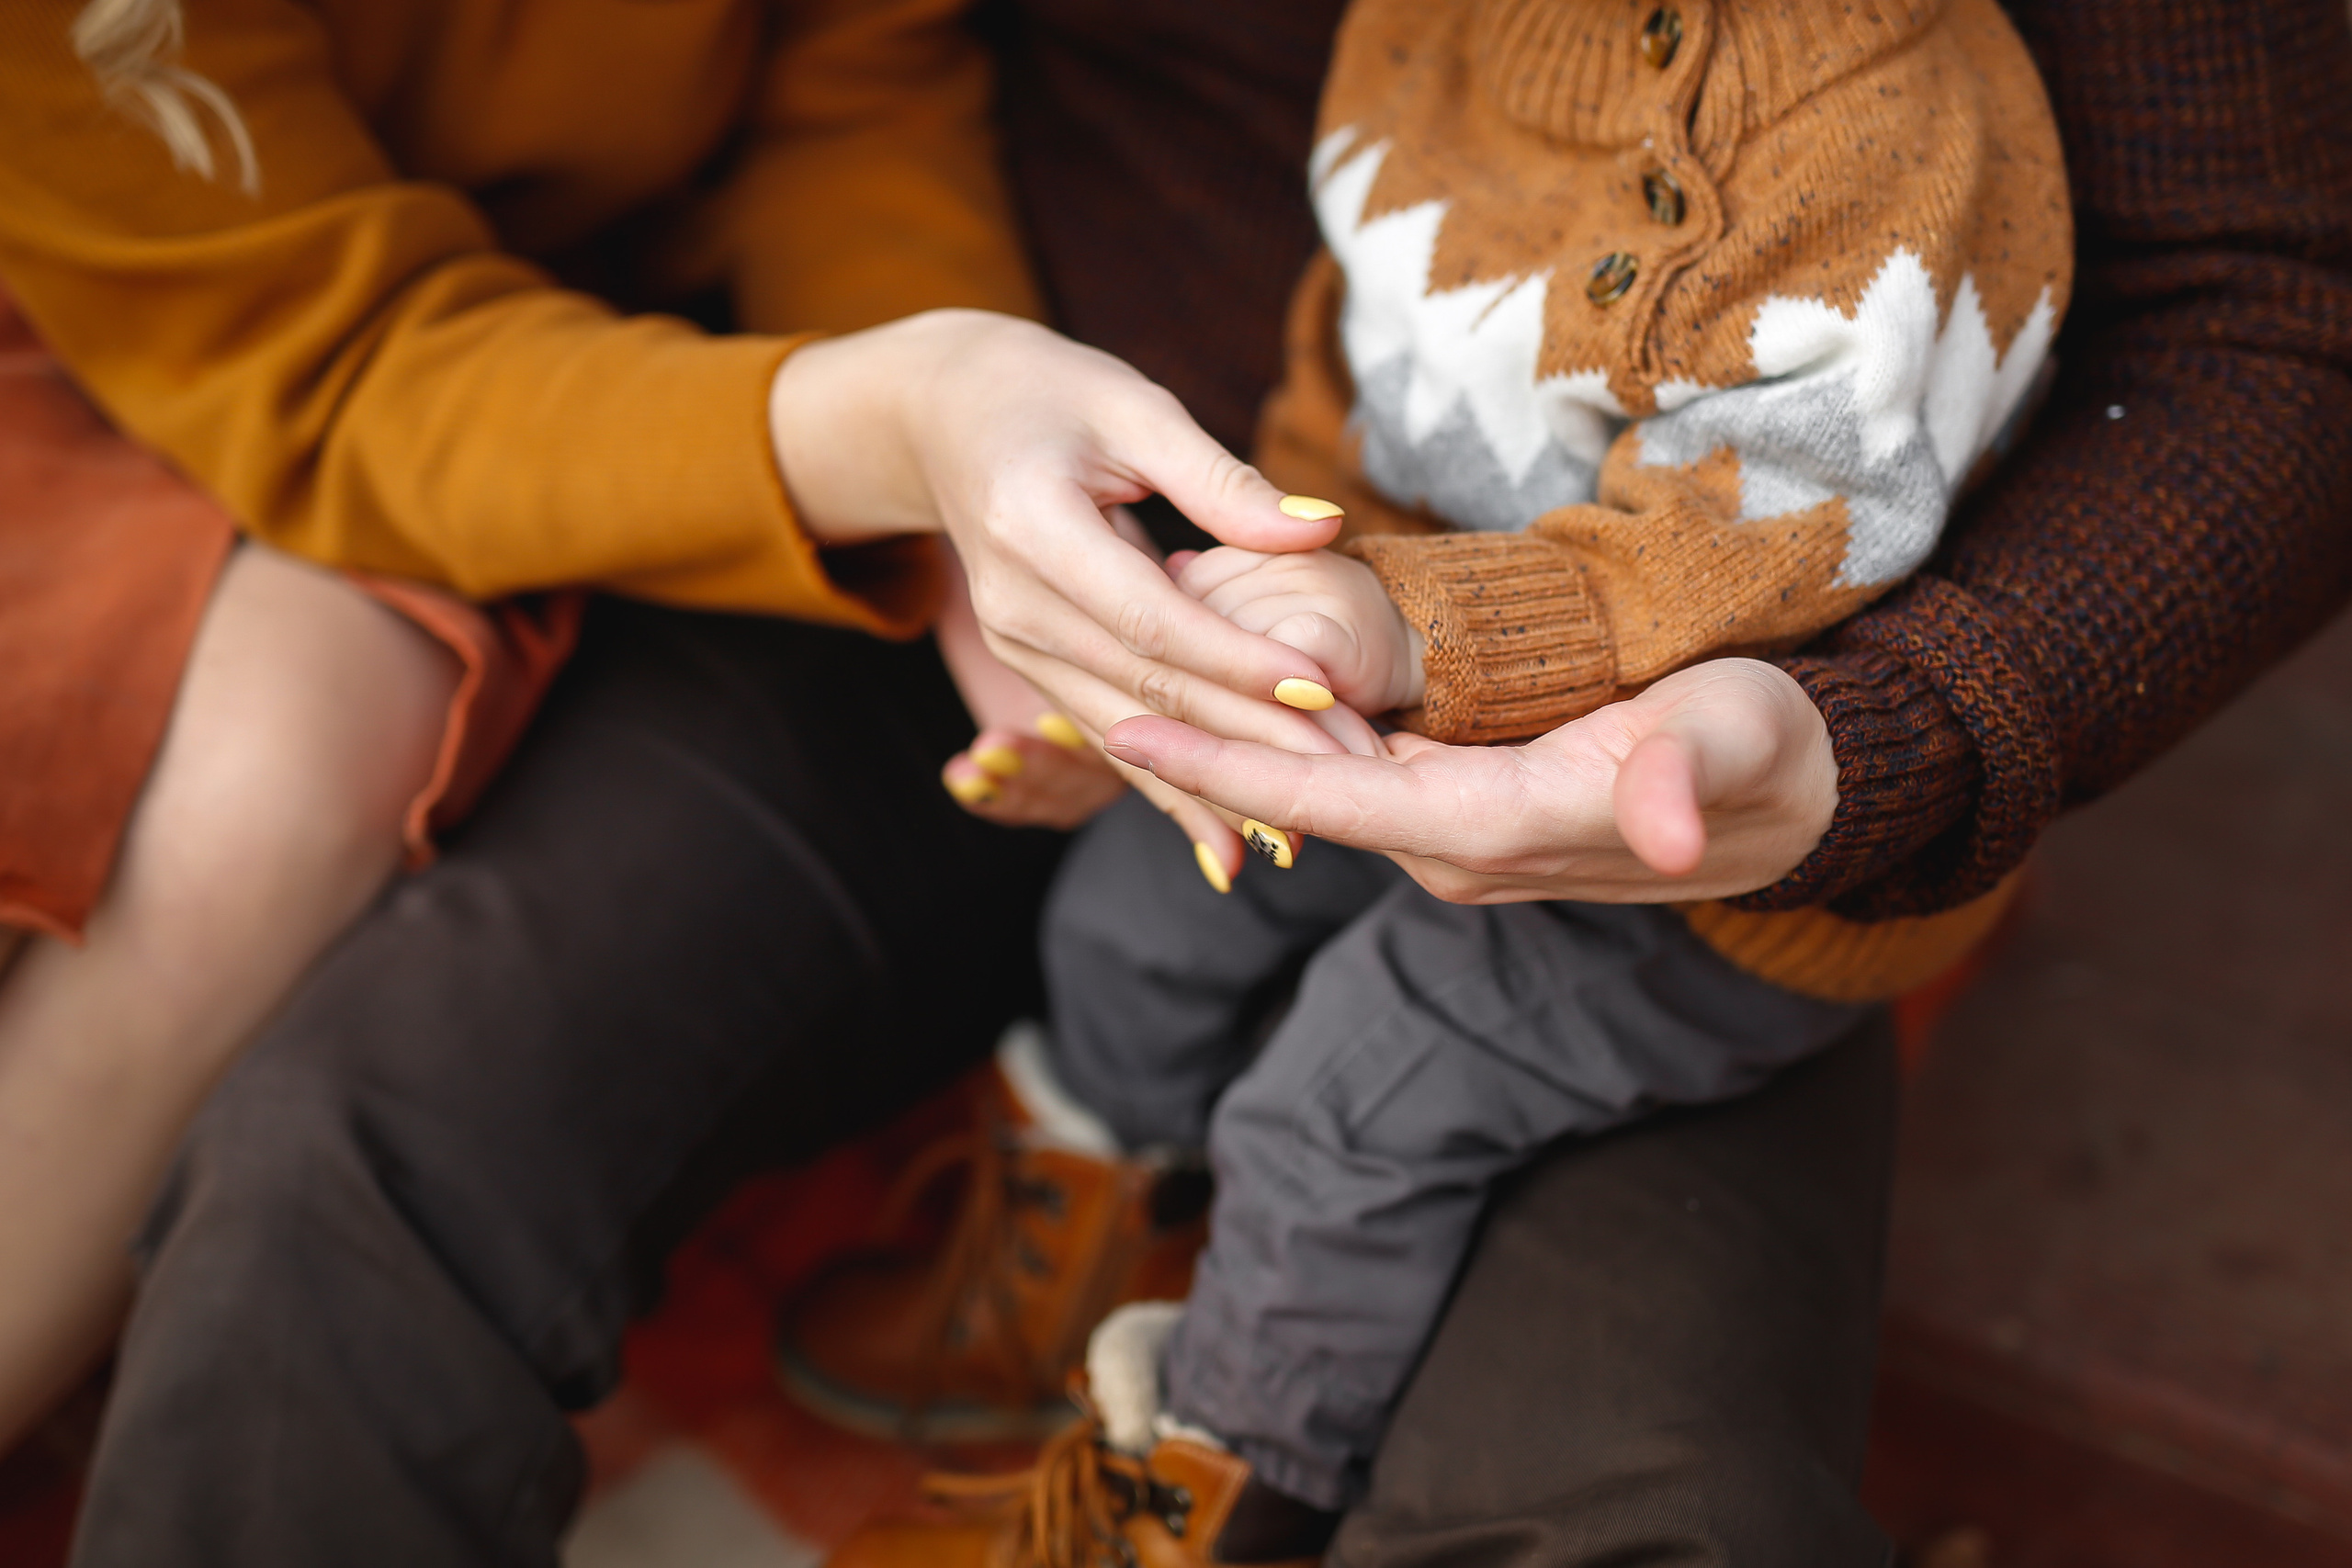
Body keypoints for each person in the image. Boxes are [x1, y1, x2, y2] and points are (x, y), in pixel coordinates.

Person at [29, 1, 2352, 1566]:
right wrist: (923, 456)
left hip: (1692, 738)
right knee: (347, 1167)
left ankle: (1186, 1454)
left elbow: (2266, 306)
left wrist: (1899, 732)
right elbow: (864, 81)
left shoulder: (1887, 106)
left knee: (1626, 1490)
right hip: (1015, 543)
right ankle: (1076, 1207)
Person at [792, 0, 2072, 1559]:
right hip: (1426, 692)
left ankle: (1213, 1481)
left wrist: (1410, 623)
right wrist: (1231, 636)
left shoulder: (1882, 120)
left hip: (1702, 817)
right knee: (1141, 911)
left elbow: (1784, 537)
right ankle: (1057, 1279)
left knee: (1349, 1098)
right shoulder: (1432, 29)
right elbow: (1360, 365)